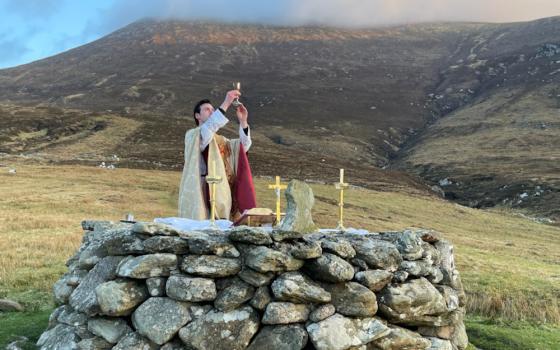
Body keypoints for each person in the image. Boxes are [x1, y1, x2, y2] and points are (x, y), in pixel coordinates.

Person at [178, 89, 257, 221]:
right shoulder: (193, 135)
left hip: (222, 189)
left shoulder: (221, 140)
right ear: (197, 116)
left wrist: (243, 121)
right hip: (201, 188)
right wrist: (226, 102)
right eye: (207, 109)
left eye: (213, 109)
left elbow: (243, 147)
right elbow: (208, 129)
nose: (212, 111)